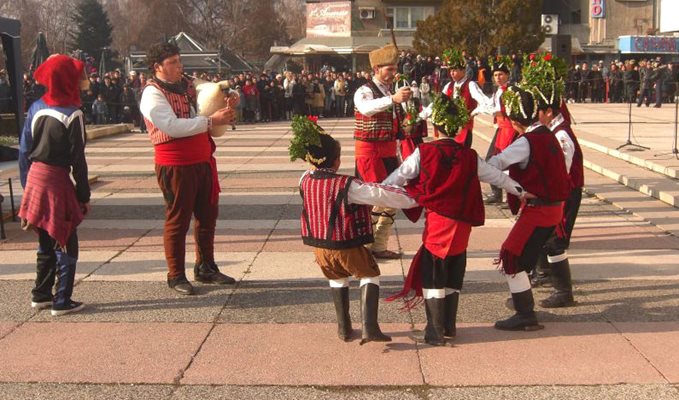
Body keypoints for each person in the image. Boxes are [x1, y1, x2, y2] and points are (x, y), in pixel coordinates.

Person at [384, 95, 531, 346]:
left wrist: (377, 193)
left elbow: (397, 177)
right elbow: (497, 176)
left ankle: (435, 329)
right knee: (454, 267)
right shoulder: (469, 155)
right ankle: (449, 325)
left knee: (433, 273)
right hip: (462, 223)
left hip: (440, 223)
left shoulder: (425, 152)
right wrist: (520, 190)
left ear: (436, 127)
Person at [291, 115, 417, 344]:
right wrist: (415, 198)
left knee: (337, 278)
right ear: (337, 161)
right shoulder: (348, 185)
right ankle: (370, 327)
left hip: (319, 247)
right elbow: (380, 194)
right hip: (346, 243)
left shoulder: (304, 180)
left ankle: (344, 328)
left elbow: (312, 168)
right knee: (370, 274)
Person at [139, 42, 238, 295]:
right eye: (172, 62)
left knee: (207, 215)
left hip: (200, 160)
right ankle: (175, 275)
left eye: (178, 60)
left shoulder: (183, 85)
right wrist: (209, 121)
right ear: (157, 67)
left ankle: (206, 267)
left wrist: (227, 99)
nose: (179, 66)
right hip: (175, 164)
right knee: (178, 219)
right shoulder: (152, 93)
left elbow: (210, 91)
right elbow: (172, 127)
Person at [487, 86, 570, 331]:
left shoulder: (527, 141)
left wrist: (514, 187)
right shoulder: (548, 133)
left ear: (513, 121)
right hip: (553, 210)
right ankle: (522, 300)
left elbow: (494, 164)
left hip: (539, 209)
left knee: (510, 255)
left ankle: (525, 314)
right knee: (522, 257)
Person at [18, 55, 91, 316]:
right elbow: (78, 160)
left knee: (45, 238)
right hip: (56, 179)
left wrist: (27, 189)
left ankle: (40, 294)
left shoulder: (36, 107)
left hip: (35, 176)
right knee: (66, 237)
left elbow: (24, 150)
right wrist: (83, 195)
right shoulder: (74, 113)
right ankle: (62, 299)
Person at [353, 39, 412, 260]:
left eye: (395, 68)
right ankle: (365, 245)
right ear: (376, 69)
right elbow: (366, 109)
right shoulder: (364, 90)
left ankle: (377, 245)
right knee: (374, 198)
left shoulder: (389, 90)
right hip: (370, 153)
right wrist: (393, 99)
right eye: (390, 69)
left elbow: (394, 118)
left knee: (391, 198)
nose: (394, 73)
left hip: (388, 151)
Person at [421, 49, 491, 147]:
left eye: (455, 70)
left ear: (463, 70)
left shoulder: (470, 85)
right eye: (451, 70)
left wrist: (473, 113)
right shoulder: (449, 85)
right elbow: (437, 102)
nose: (452, 73)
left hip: (464, 129)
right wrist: (422, 115)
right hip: (449, 130)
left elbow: (485, 102)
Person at [482, 57, 516, 205]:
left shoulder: (511, 91)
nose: (498, 77)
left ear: (507, 75)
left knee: (506, 163)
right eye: (495, 75)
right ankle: (496, 192)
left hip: (509, 129)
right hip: (501, 129)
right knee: (490, 159)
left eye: (501, 74)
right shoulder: (498, 91)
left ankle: (511, 196)